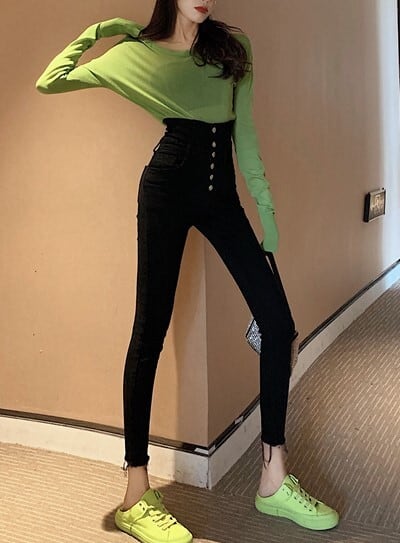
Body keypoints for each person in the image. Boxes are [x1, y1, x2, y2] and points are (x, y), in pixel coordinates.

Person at [35, 1, 340, 541]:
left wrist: (266, 209)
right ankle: (135, 493)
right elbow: (51, 80)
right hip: (166, 189)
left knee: (278, 324)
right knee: (149, 333)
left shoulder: (233, 49)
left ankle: (273, 478)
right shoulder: (137, 55)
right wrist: (102, 31)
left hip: (222, 196)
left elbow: (246, 136)